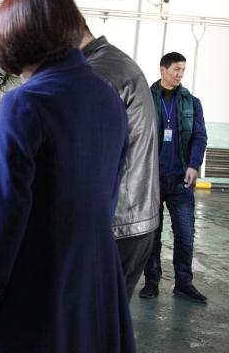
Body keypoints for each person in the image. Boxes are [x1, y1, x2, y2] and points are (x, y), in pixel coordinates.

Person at [0, 0, 135, 352]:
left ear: (16, 36)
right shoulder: (108, 97)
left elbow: (6, 216)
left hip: (36, 283)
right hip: (94, 278)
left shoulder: (24, 103)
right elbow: (108, 195)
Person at [80, 24, 160, 300]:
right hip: (134, 218)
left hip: (114, 224)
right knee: (108, 315)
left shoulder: (98, 74)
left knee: (90, 317)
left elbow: (84, 159)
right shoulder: (116, 62)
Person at [138, 52, 208, 303]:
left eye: (183, 70)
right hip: (152, 179)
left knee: (185, 234)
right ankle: (151, 281)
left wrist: (194, 165)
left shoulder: (191, 102)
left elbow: (199, 136)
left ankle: (184, 283)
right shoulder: (145, 98)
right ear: (163, 70)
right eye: (176, 69)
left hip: (181, 180)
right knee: (152, 235)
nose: (180, 74)